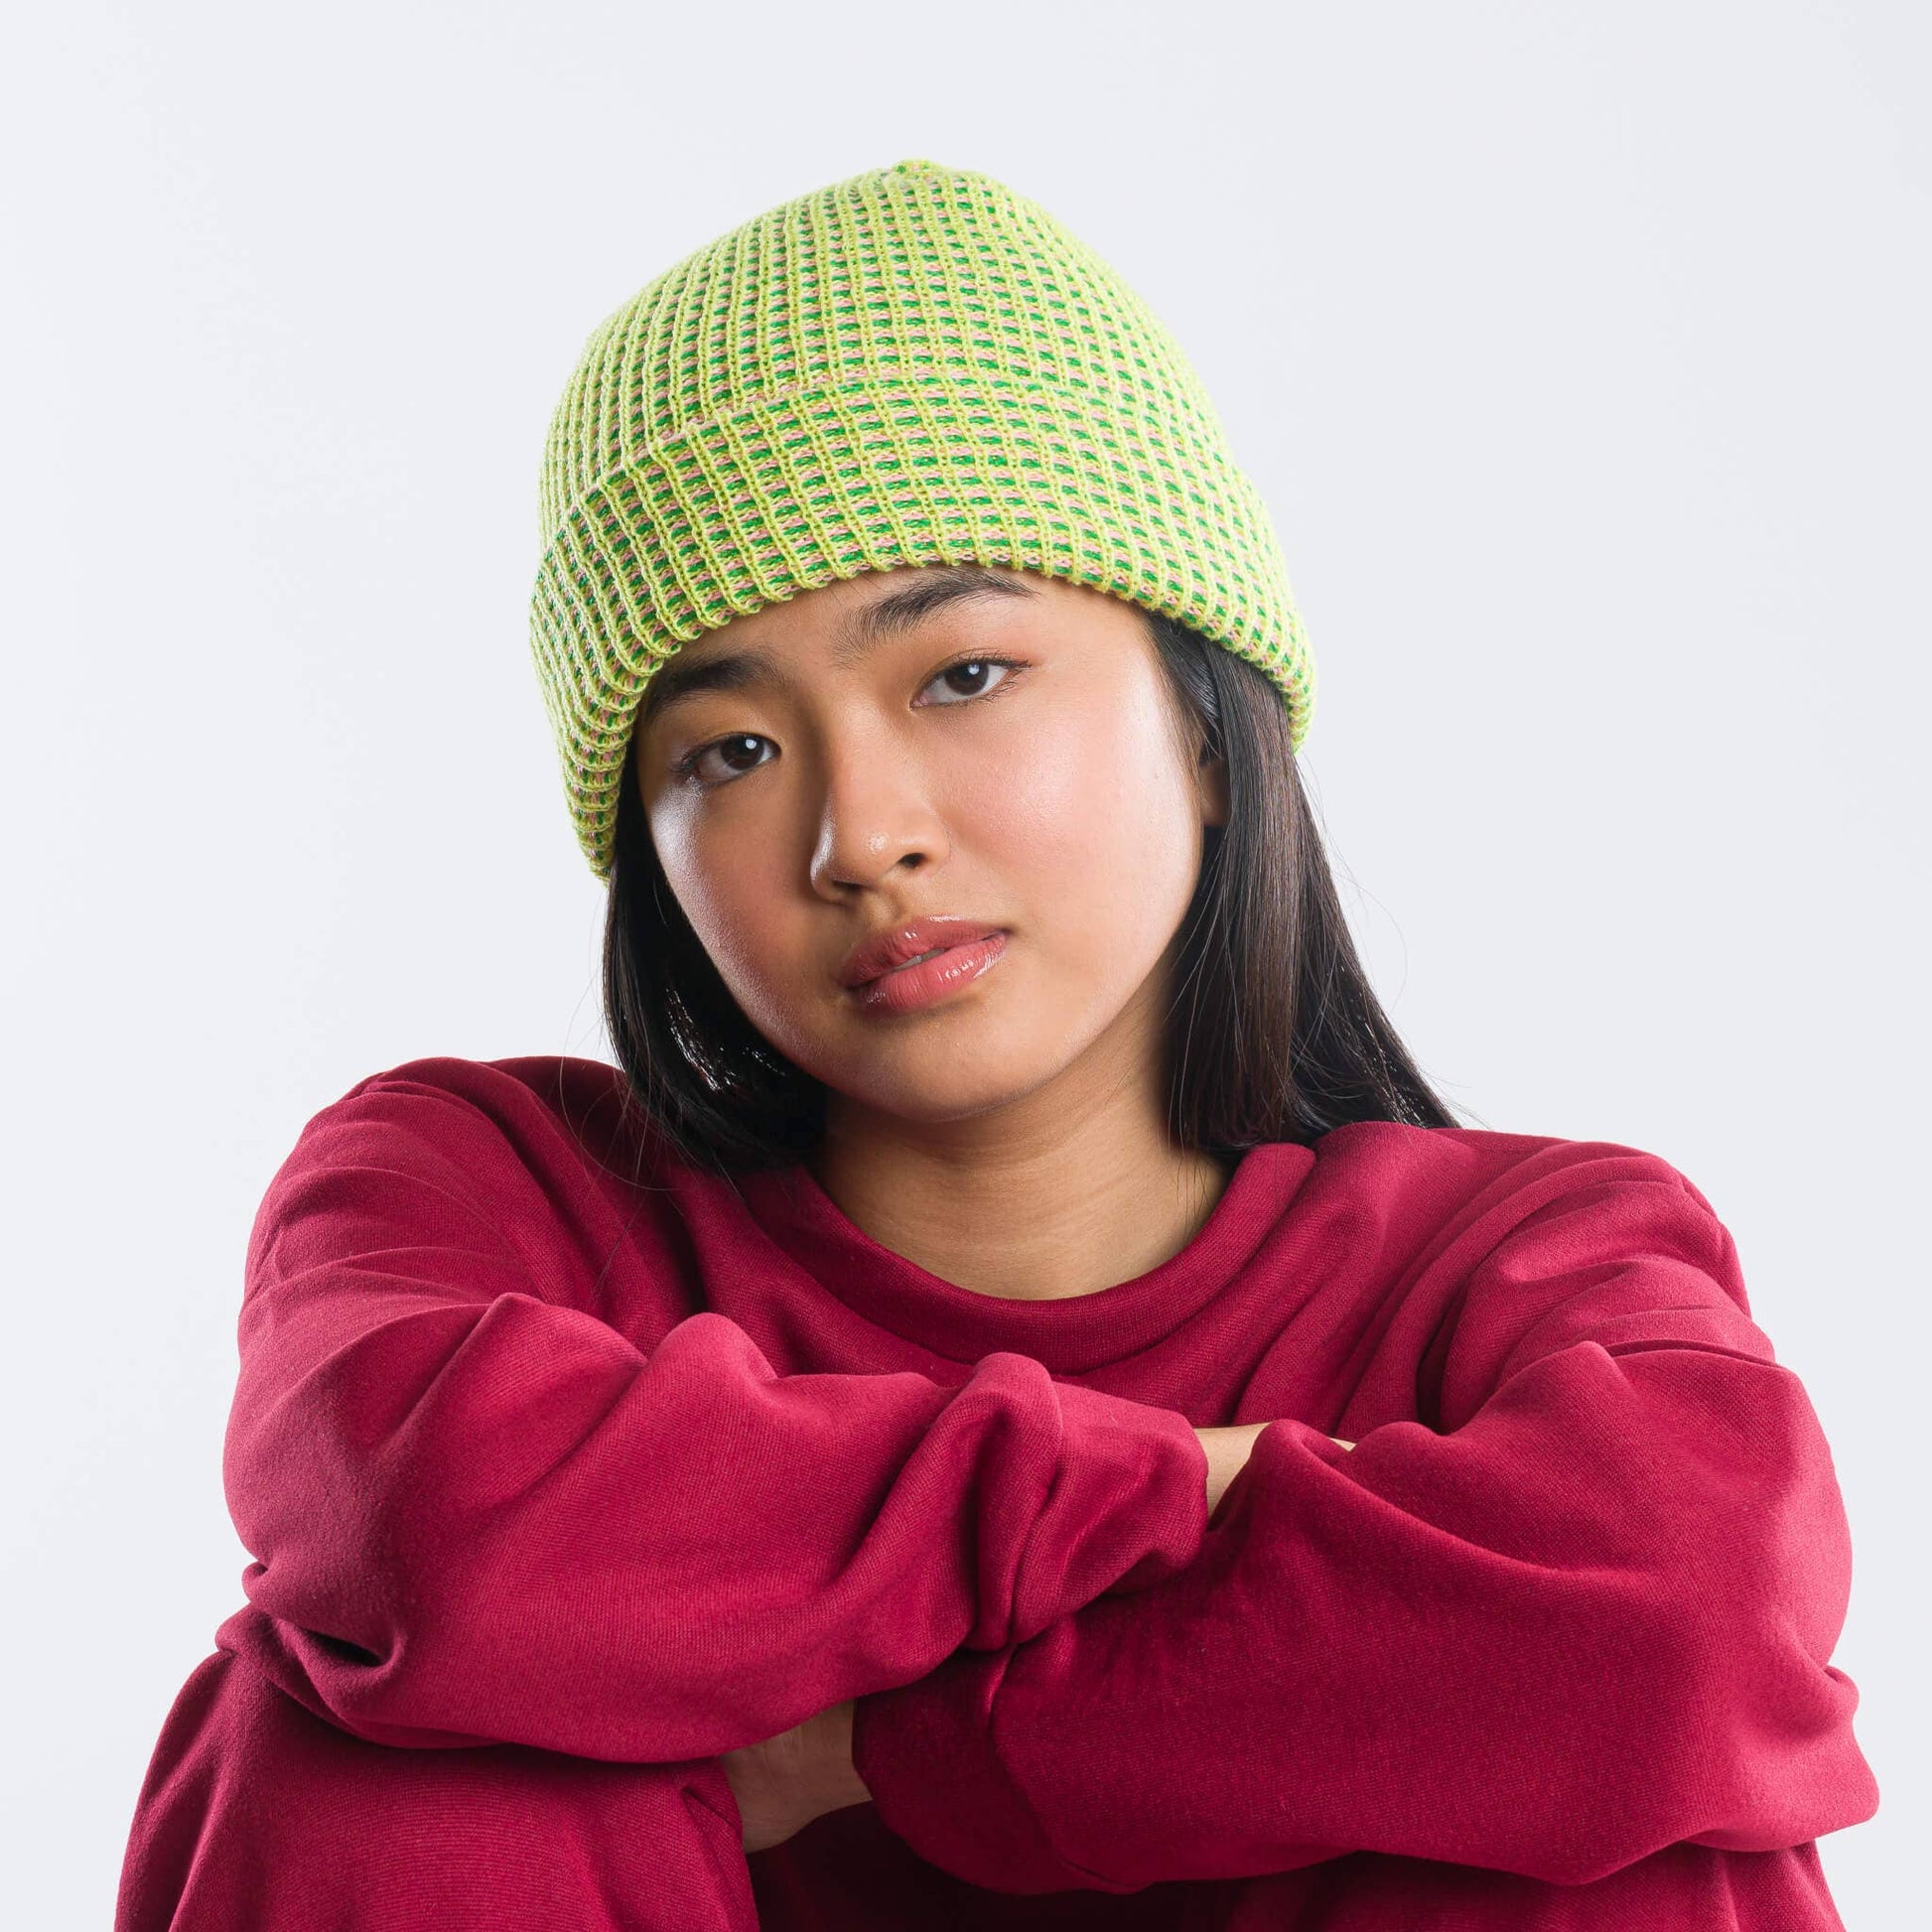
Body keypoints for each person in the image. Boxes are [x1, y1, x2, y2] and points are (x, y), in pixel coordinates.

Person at [114, 157, 1877, 1931]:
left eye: (960, 674)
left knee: (1629, 1787)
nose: (859, 835)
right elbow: (423, 1536)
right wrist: (1196, 1485)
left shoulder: (1515, 1259)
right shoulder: (490, 1193)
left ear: (1206, 726)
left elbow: (1692, 1612)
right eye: (729, 752)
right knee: (367, 1724)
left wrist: (886, 1745)